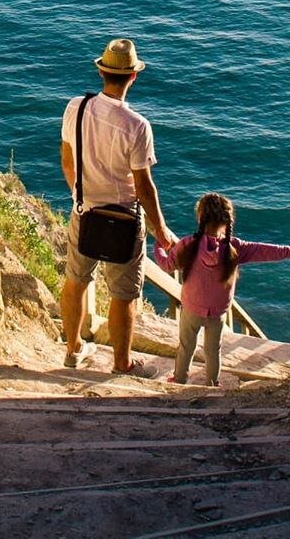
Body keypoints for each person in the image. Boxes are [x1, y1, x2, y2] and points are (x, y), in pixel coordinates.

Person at [60, 38, 175, 377]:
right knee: (123, 294)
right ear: (133, 77)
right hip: (124, 220)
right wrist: (161, 229)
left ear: (100, 71)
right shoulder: (138, 126)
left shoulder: (75, 107)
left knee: (75, 281)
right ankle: (121, 363)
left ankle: (72, 349)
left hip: (84, 212)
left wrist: (80, 195)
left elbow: (67, 161)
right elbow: (143, 186)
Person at [155, 193, 290, 386]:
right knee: (214, 350)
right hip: (218, 313)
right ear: (227, 221)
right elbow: (266, 251)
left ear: (200, 217)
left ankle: (180, 379)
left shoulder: (188, 244)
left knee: (186, 346)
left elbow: (166, 265)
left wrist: (159, 247)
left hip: (192, 308)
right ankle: (212, 384)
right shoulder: (235, 247)